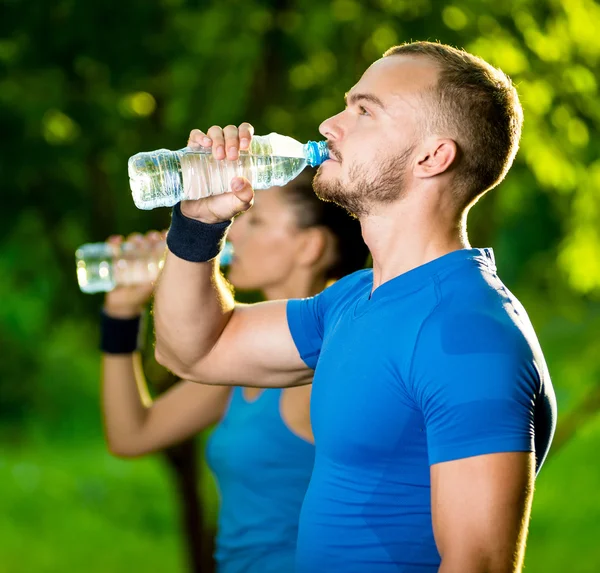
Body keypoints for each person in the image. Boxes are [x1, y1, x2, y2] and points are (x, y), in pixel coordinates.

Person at [153, 41, 557, 573]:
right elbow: (191, 351)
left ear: (432, 156)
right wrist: (198, 224)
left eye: (364, 111)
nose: (328, 125)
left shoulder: (467, 334)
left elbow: (477, 563)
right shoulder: (354, 301)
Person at [99, 171, 369, 573]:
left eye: (255, 220)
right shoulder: (246, 362)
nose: (234, 234)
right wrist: (121, 314)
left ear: (309, 246)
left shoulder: (334, 360)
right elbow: (130, 435)